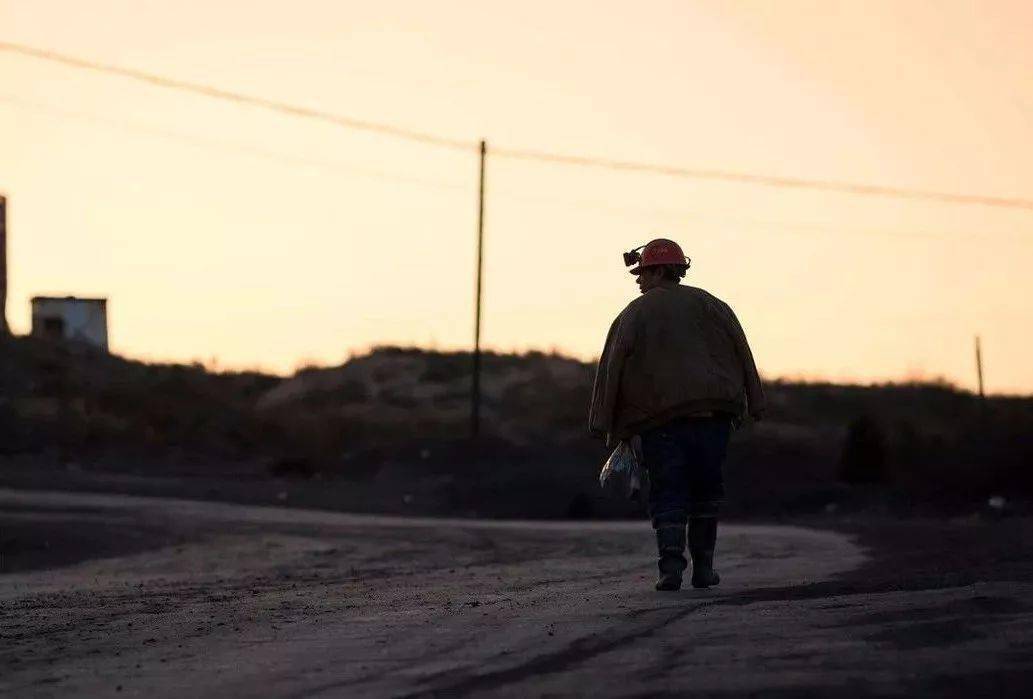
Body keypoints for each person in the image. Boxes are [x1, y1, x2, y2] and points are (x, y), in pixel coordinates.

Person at [589, 238, 765, 591]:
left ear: (658, 271)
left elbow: (611, 370)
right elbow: (743, 353)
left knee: (669, 492)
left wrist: (604, 423)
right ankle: (704, 569)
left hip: (661, 423)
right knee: (706, 492)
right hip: (713, 418)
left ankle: (670, 569)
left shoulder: (633, 315)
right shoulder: (714, 306)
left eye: (642, 273)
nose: (638, 280)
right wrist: (754, 403)